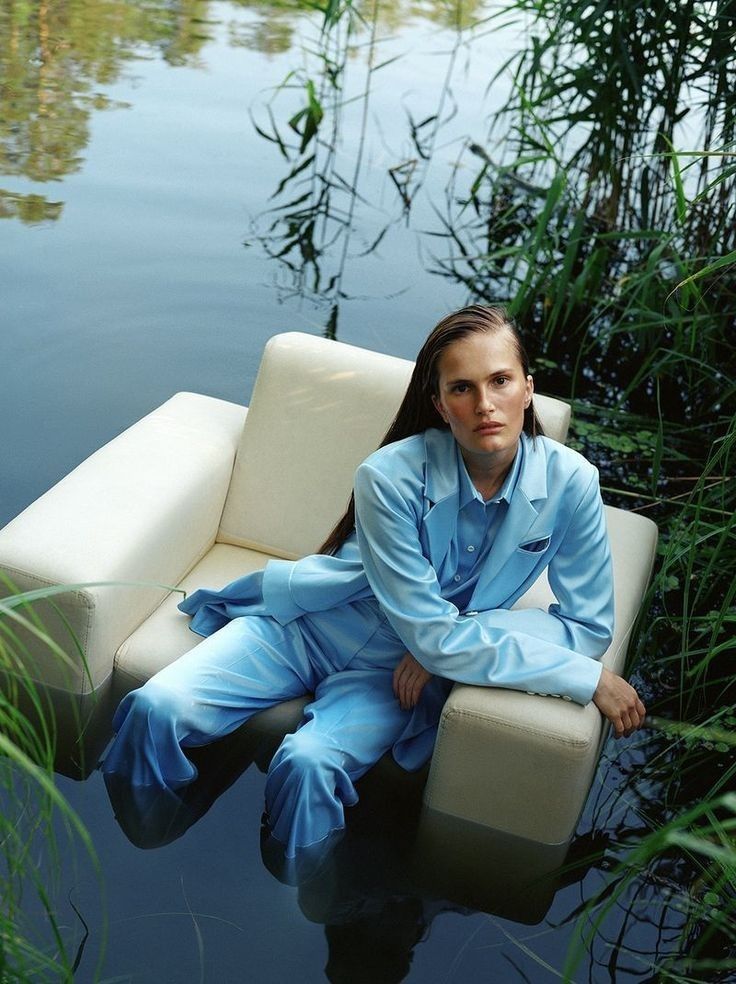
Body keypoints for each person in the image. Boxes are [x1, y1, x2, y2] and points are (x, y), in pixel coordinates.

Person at [101, 305, 646, 858]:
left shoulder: (572, 482)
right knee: (154, 710)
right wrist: (581, 678)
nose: (485, 405)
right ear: (438, 403)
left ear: (527, 389)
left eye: (500, 381)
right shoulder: (388, 475)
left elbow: (587, 625)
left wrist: (465, 632)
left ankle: (289, 894)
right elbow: (433, 637)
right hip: (310, 626)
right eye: (462, 388)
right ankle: (141, 841)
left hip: (393, 673)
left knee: (307, 766)